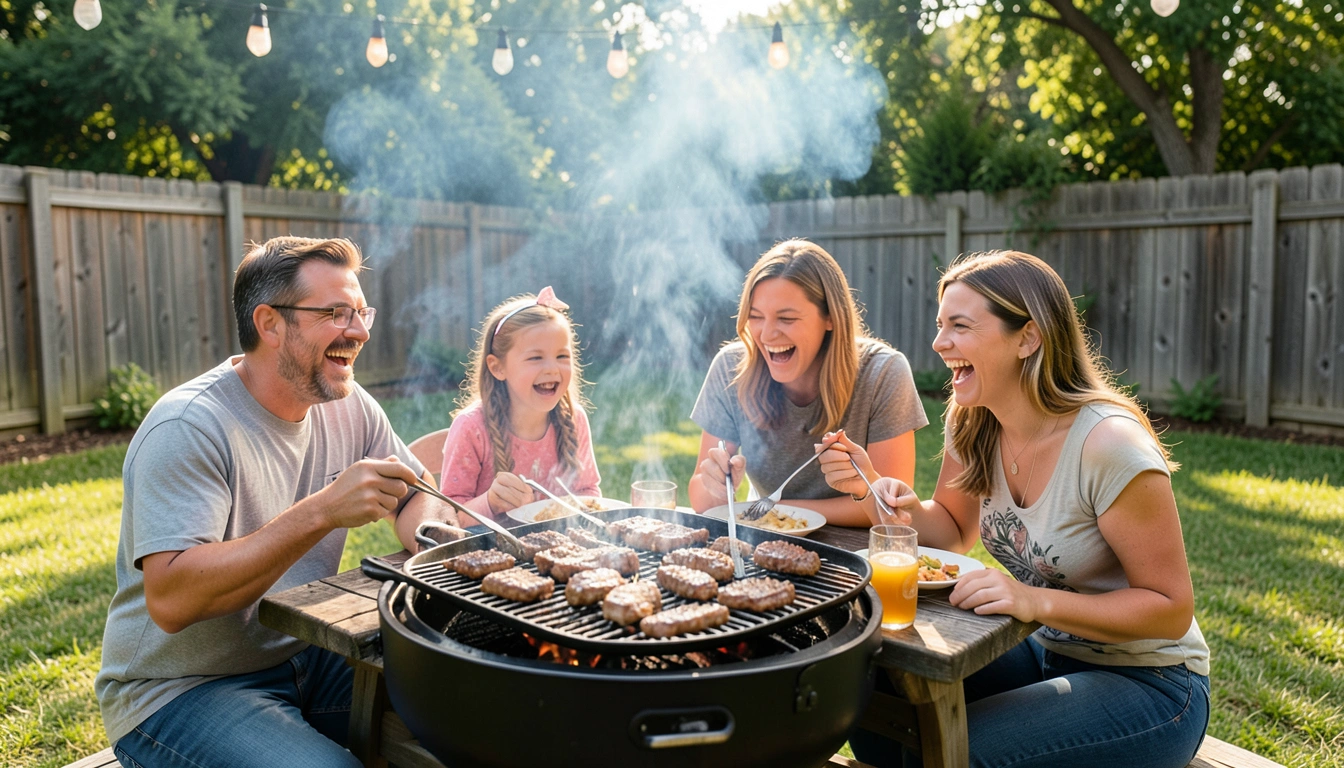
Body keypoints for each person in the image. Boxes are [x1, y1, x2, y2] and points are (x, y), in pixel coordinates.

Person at [821, 250, 1210, 768]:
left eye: (959, 326)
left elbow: (1169, 608)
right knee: (881, 719)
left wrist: (1032, 601)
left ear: (1028, 338)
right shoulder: (974, 420)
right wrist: (871, 489)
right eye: (940, 326)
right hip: (1048, 650)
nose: (939, 343)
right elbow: (954, 530)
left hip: (1151, 682)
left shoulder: (1107, 445)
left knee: (955, 756)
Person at [96, 236, 465, 768]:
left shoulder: (347, 403)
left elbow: (415, 494)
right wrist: (321, 512)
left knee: (475, 715)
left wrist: (433, 538)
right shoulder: (190, 426)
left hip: (311, 655)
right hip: (180, 691)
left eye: (362, 312)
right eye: (337, 313)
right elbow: (172, 600)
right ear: (269, 324)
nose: (359, 331)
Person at [687, 239, 926, 526]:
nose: (766, 335)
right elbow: (702, 500)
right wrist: (714, 486)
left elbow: (892, 507)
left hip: (857, 551)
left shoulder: (883, 373)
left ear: (830, 318)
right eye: (756, 317)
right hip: (769, 539)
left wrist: (774, 508)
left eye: (786, 318)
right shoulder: (731, 368)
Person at [439, 286, 601, 519]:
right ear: (498, 367)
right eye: (536, 358)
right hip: (489, 553)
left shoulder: (574, 420)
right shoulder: (471, 428)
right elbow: (448, 519)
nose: (552, 368)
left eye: (562, 356)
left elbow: (589, 493)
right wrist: (490, 503)